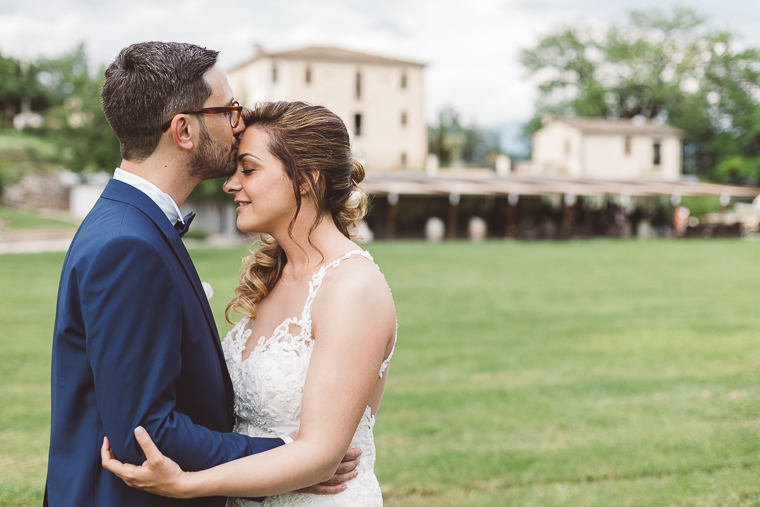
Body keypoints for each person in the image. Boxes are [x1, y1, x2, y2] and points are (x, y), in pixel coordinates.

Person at [45, 43, 357, 507]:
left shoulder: (128, 223)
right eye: (229, 110)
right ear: (184, 129)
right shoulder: (129, 243)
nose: (239, 124)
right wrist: (284, 459)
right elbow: (145, 435)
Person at [101, 101, 398, 506]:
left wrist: (186, 483)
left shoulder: (352, 288)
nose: (231, 184)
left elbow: (321, 456)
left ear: (306, 179)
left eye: (249, 169)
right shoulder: (274, 276)